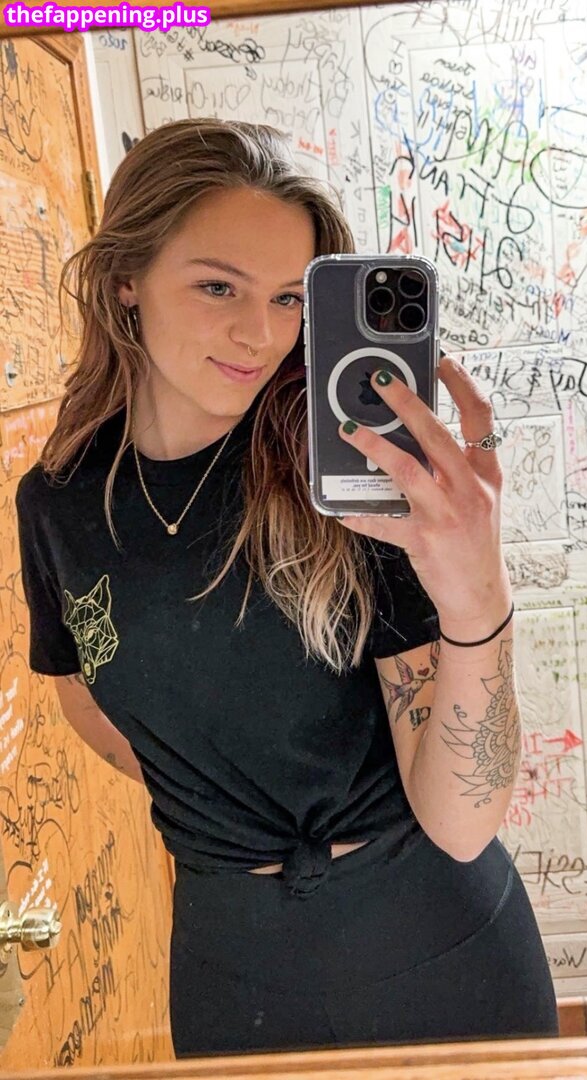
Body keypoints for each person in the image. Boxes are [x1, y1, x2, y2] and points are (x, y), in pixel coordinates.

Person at [16, 118, 558, 1058]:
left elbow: (462, 823)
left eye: (288, 298)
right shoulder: (59, 501)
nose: (259, 334)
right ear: (126, 278)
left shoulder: (346, 479)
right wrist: (220, 807)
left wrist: (476, 602)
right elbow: (79, 690)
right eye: (217, 286)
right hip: (229, 966)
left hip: (439, 941)